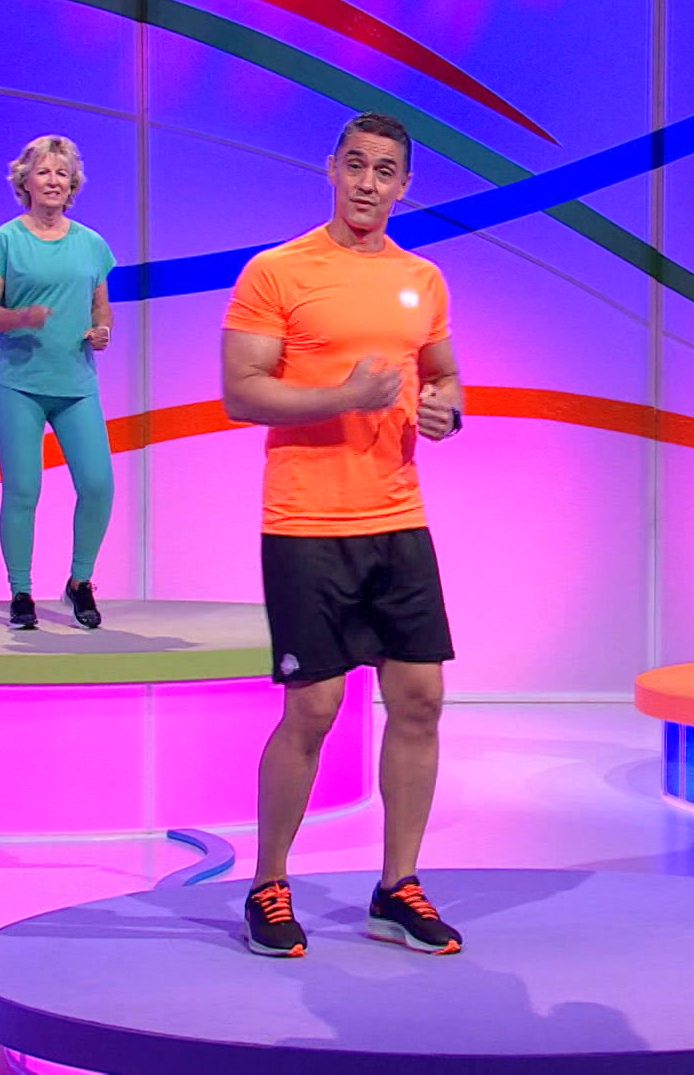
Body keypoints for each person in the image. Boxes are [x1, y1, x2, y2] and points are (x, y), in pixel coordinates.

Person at [221, 112, 466, 958]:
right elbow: (241, 392)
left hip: (398, 517)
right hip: (306, 522)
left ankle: (397, 888)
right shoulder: (277, 271)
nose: (367, 183)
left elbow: (443, 374)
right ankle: (268, 884)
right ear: (331, 169)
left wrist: (446, 409)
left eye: (384, 170)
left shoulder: (422, 279)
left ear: (404, 186)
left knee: (421, 698)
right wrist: (342, 398)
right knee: (315, 707)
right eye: (355, 165)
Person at [0, 135, 116, 631]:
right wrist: (21, 318)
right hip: (19, 385)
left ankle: (80, 582)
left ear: (72, 183)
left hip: (77, 384)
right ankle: (21, 592)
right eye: (44, 172)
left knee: (98, 486)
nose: (53, 181)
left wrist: (103, 331)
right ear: (25, 181)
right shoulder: (3, 241)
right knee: (23, 491)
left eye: (62, 173)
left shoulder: (92, 244)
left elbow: (101, 307)